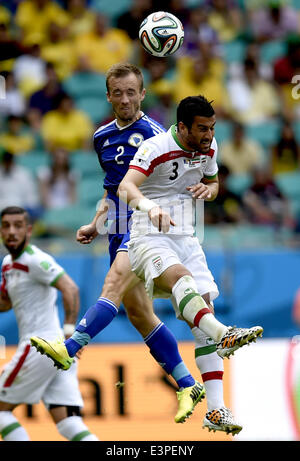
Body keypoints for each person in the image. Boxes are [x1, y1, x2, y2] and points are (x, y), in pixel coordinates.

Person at [31, 65, 244, 433]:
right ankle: (188, 385)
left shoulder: (155, 135)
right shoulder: (101, 138)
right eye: (118, 92)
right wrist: (95, 224)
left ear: (142, 94)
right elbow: (112, 189)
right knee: (139, 314)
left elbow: (179, 181)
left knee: (112, 286)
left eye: (132, 92)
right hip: (118, 226)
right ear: (109, 95)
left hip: (147, 227)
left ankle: (69, 348)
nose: (126, 99)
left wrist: (180, 207)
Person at [117, 95, 263, 431]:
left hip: (186, 239)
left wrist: (207, 191)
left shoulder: (210, 148)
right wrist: (149, 207)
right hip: (147, 237)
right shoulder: (155, 147)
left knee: (202, 313)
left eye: (212, 128)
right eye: (201, 128)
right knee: (183, 281)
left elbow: (213, 183)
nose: (209, 134)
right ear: (182, 127)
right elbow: (126, 186)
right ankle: (225, 333)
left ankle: (215, 409)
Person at [0, 206, 98, 441]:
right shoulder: (7, 263)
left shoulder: (36, 259)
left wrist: (70, 333)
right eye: (6, 226)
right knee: (68, 423)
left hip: (40, 346)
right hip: (56, 352)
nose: (12, 231)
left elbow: (70, 288)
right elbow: (5, 304)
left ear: (29, 230)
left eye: (18, 225)